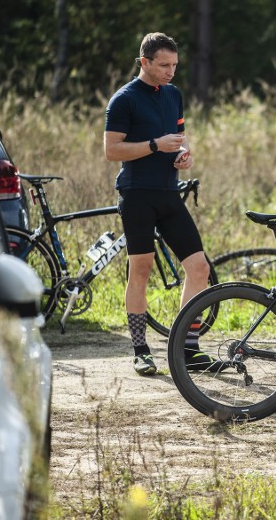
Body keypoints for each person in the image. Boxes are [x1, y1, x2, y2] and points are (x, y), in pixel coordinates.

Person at [104, 32, 214, 376]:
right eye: (164, 65)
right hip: (136, 195)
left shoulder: (174, 94)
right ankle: (140, 350)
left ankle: (186, 348)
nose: (170, 71)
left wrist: (183, 156)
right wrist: (154, 145)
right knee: (142, 269)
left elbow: (178, 141)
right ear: (145, 62)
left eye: (175, 65)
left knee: (199, 269)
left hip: (169, 192)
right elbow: (111, 151)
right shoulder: (123, 100)